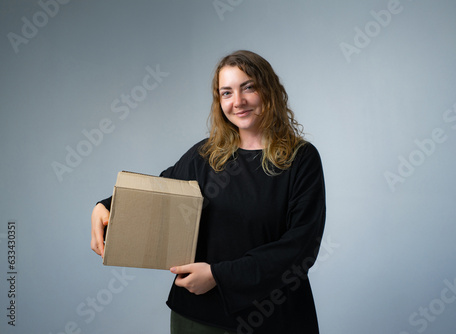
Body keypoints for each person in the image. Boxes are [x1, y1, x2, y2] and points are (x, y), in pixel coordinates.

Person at [91, 50, 326, 333]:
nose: (237, 101)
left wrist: (218, 275)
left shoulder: (300, 159)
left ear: (269, 90)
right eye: (226, 93)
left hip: (276, 318)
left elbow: (301, 248)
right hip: (197, 317)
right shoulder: (206, 154)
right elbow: (158, 194)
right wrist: (105, 206)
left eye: (248, 87)